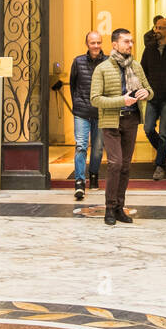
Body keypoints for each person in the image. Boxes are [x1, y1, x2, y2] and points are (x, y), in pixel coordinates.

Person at [90, 28, 152, 226]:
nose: (130, 44)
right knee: (115, 164)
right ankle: (109, 207)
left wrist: (146, 94)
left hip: (131, 120)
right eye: (126, 41)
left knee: (125, 166)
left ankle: (119, 208)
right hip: (111, 121)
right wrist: (121, 101)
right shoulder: (102, 68)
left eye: (131, 41)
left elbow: (149, 89)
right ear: (115, 45)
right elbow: (95, 99)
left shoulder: (136, 66)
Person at [68, 31, 105, 202]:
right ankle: (79, 182)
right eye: (92, 43)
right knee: (81, 146)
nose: (96, 46)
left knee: (97, 149)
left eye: (98, 42)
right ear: (87, 44)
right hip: (82, 112)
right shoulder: (78, 61)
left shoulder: (107, 62)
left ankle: (94, 174)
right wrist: (77, 103)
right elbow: (73, 85)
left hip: (100, 112)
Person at [141, 16, 166, 180]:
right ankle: (163, 149)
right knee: (147, 129)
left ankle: (160, 165)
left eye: (161, 28)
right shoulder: (149, 48)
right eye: (156, 27)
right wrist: (145, 89)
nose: (157, 31)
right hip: (152, 97)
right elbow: (143, 70)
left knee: (164, 133)